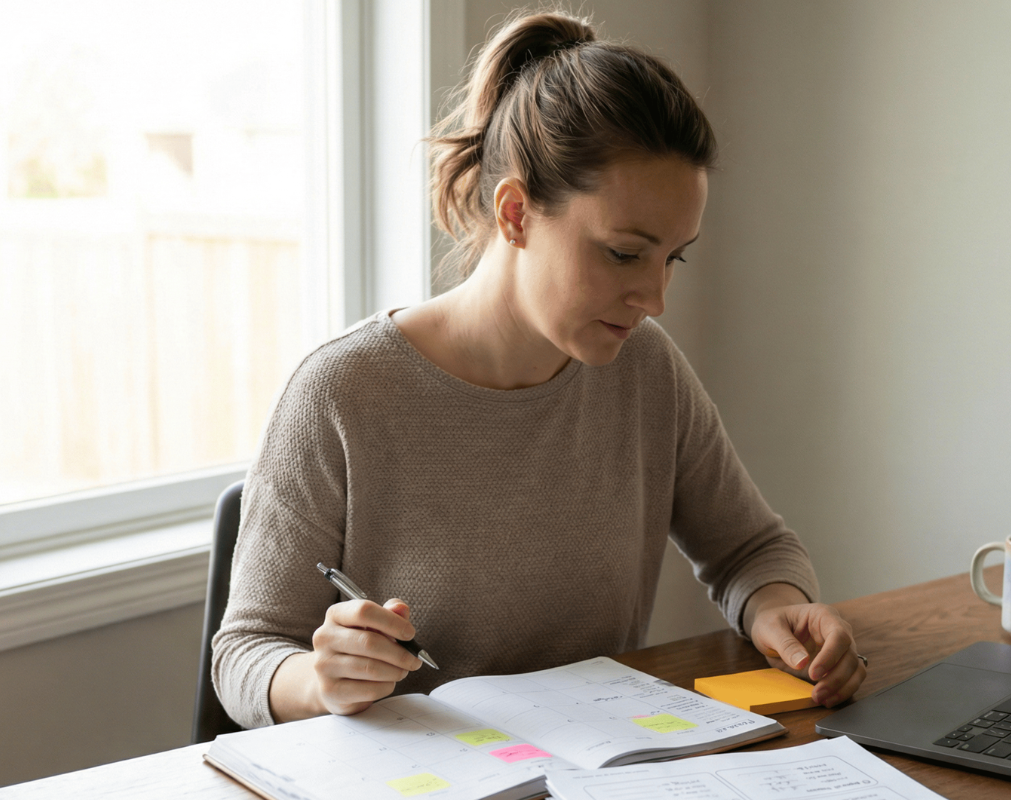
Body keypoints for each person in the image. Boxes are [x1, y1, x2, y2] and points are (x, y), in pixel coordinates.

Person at [212, 10, 865, 730]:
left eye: (672, 258)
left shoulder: (643, 370)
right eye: (624, 253)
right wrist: (320, 679)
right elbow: (245, 654)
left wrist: (780, 606)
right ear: (517, 212)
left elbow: (750, 548)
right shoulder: (342, 393)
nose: (654, 299)